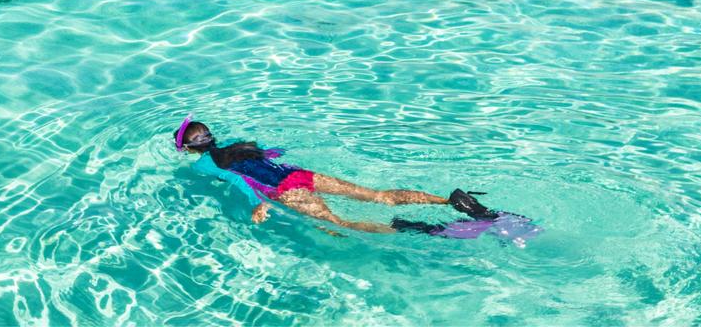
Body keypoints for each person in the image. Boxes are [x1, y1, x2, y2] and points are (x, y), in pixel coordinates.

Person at [173, 116, 501, 236]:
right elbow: (273, 154)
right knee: (378, 195)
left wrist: (259, 205)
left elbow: (241, 181)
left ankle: (424, 229)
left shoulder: (203, 165)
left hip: (281, 191)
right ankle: (451, 200)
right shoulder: (238, 145)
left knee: (339, 224)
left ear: (188, 149)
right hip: (300, 175)